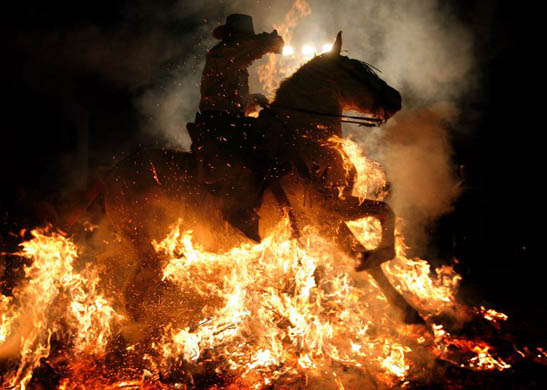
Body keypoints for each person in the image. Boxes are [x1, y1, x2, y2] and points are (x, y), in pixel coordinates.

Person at [188, 14, 284, 242]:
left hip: (228, 119)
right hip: (218, 123)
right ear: (234, 38)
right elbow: (256, 46)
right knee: (260, 154)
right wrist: (269, 40)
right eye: (243, 39)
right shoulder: (223, 54)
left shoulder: (234, 62)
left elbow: (233, 99)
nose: (245, 43)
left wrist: (254, 99)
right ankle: (237, 210)